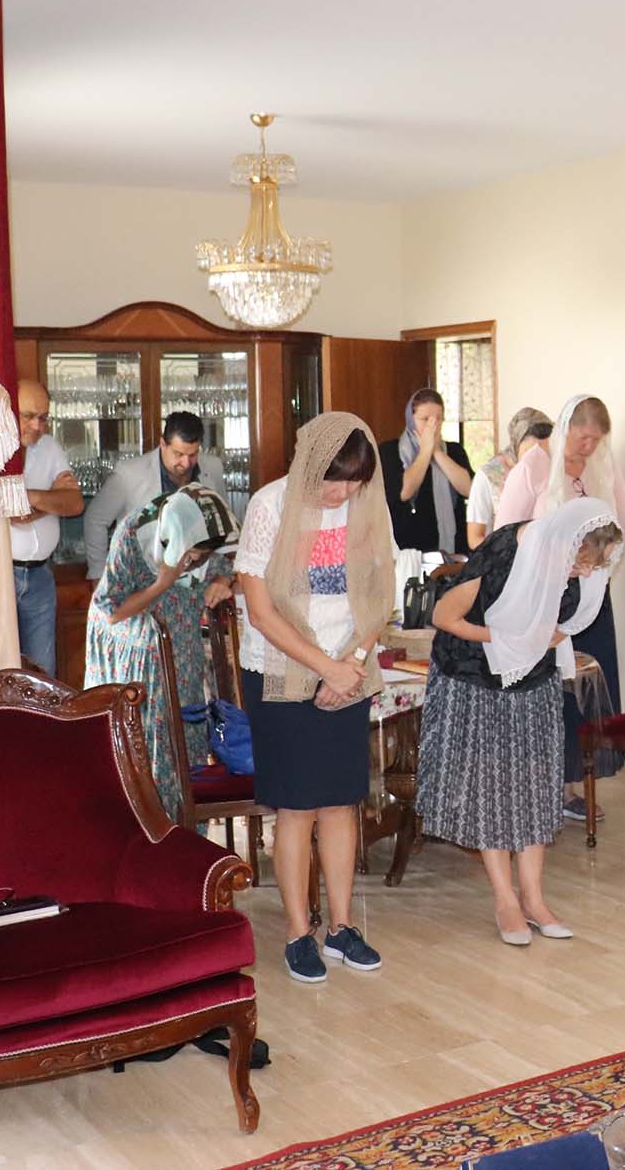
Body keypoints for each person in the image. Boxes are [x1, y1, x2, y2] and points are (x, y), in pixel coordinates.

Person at [420, 497, 623, 945]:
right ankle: (505, 900)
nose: (586, 573)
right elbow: (443, 617)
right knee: (492, 789)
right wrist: (511, 638)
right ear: (563, 543)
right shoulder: (504, 551)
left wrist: (542, 638)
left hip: (534, 678)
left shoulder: (584, 565)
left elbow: (566, 622)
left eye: (596, 566)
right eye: (582, 564)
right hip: (475, 676)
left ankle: (534, 898)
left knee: (536, 785)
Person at [236, 413, 394, 986]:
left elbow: (378, 594)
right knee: (298, 807)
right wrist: (324, 666)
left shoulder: (364, 507)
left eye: (353, 481)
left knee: (341, 802)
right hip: (280, 672)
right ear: (309, 465)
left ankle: (342, 928)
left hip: (346, 669)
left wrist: (351, 662)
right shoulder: (270, 506)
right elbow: (260, 610)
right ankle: (299, 932)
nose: (343, 492)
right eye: (335, 480)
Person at [493, 394, 625, 821]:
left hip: (591, 599)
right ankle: (538, 791)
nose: (588, 447)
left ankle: (571, 789)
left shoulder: (602, 464)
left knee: (584, 696)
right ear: (565, 428)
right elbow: (503, 536)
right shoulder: (534, 466)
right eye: (582, 438)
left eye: (596, 440)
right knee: (549, 695)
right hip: (544, 602)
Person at [85, 483, 237, 823]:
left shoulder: (198, 532)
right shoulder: (135, 534)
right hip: (137, 650)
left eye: (200, 556)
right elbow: (112, 611)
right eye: (192, 554)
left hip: (181, 648)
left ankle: (188, 829)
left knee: (185, 731)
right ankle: (151, 828)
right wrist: (163, 583)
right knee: (150, 739)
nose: (194, 562)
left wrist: (221, 581)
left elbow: (223, 566)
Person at [83, 411, 226, 579]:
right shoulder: (128, 474)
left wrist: (223, 576)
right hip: (142, 579)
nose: (186, 463)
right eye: (179, 454)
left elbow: (223, 524)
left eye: (193, 455)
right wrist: (98, 574)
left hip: (199, 578)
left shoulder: (213, 467)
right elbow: (95, 520)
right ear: (163, 444)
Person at [9, 383, 82, 675]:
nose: (37, 426)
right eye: (28, 416)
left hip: (41, 575)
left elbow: (75, 503)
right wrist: (52, 497)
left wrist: (32, 498)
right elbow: (13, 513)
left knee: (43, 675)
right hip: (2, 575)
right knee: (4, 669)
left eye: (43, 417)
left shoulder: (49, 446)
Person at [379, 388, 473, 555]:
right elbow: (403, 492)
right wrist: (425, 452)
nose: (433, 426)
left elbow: (470, 489)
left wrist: (437, 452)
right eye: (425, 419)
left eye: (438, 419)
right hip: (409, 549)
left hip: (453, 549)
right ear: (410, 420)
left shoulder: (454, 451)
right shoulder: (390, 451)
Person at [467, 406, 552, 549]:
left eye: (543, 451)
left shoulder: (550, 470)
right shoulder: (488, 476)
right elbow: (474, 538)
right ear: (516, 444)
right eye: (530, 452)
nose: (535, 459)